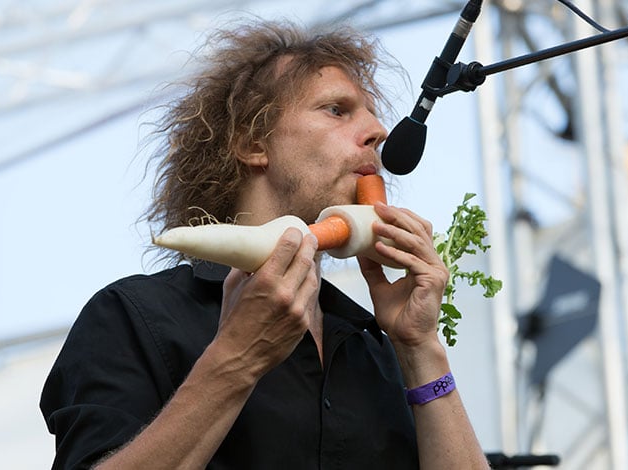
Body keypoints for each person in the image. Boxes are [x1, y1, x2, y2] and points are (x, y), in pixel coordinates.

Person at [40, 20, 490, 470]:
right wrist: (236, 360)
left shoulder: (376, 348)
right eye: (337, 109)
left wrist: (419, 348)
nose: (379, 130)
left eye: (371, 113)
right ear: (253, 142)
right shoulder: (134, 315)